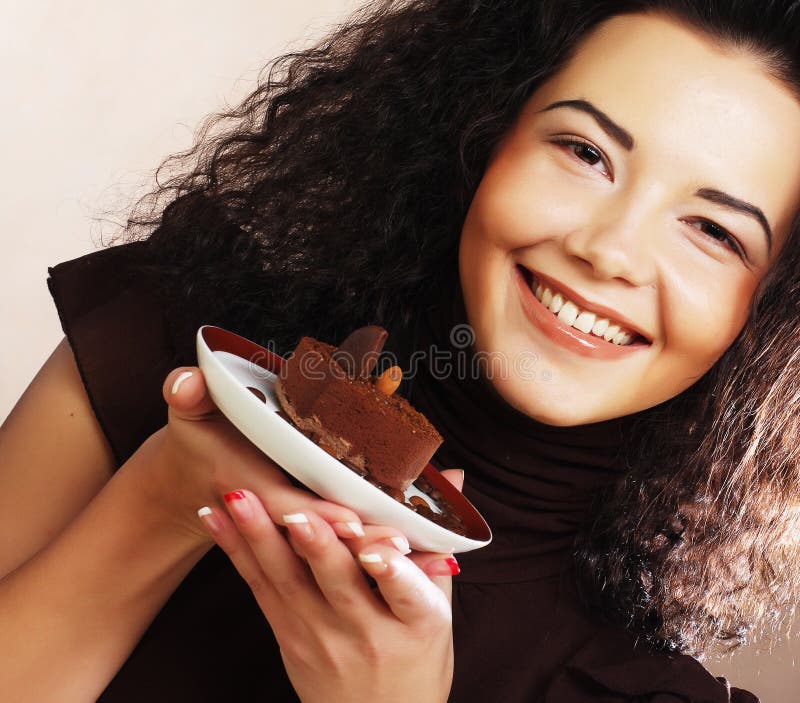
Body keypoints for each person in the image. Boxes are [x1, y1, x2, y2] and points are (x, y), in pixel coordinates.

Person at [3, 0, 800, 700]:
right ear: (483, 127)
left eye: (713, 230)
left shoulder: (647, 691)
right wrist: (167, 496)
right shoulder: (172, 330)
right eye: (585, 153)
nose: (609, 250)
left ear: (772, 314)